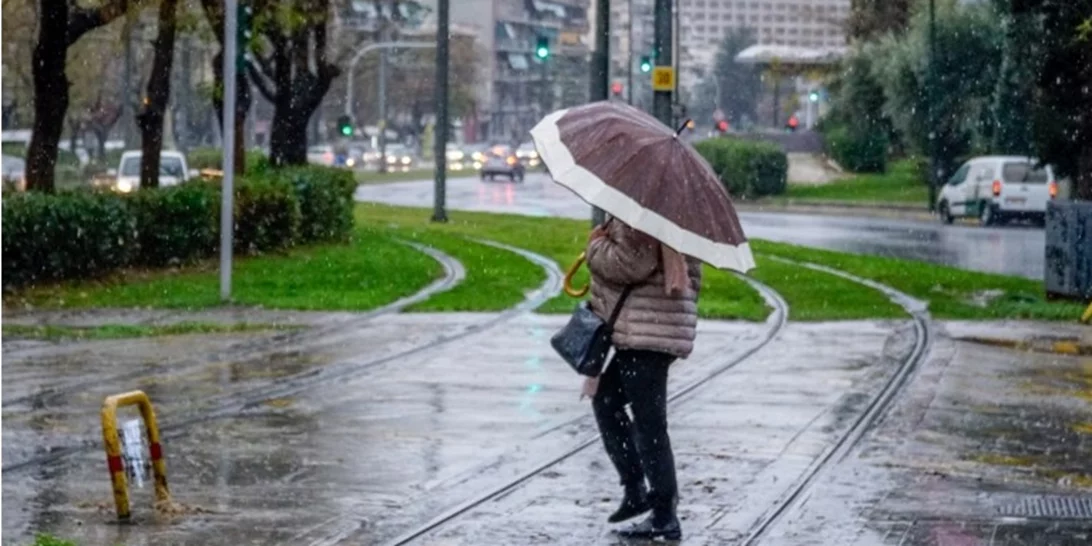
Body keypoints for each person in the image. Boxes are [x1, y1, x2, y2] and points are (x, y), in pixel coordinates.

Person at [583, 216, 702, 541]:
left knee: (649, 423)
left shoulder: (643, 216)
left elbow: (629, 264)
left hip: (647, 329)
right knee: (606, 400)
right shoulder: (677, 214)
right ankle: (636, 487)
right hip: (656, 323)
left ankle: (663, 513)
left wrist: (595, 245)